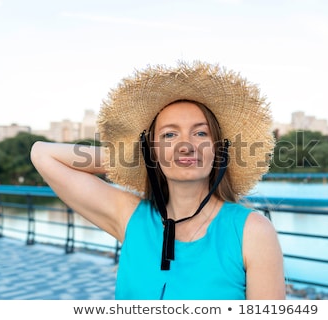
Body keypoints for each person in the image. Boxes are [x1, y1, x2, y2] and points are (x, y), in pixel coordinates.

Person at [30, 61, 286, 300]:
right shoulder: (130, 217)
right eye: (170, 135)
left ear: (219, 149)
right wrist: (137, 157)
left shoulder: (251, 232)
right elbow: (42, 154)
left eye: (200, 133)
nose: (186, 145)